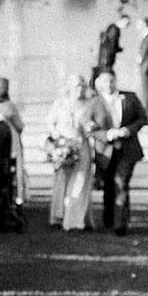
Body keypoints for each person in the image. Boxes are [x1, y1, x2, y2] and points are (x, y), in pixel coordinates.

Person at [88, 68, 148, 235]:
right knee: (108, 185)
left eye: (112, 80)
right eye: (106, 81)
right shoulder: (94, 103)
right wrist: (106, 134)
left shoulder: (130, 98)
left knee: (121, 183)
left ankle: (120, 224)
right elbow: (89, 127)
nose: (110, 84)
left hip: (127, 149)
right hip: (105, 151)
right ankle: (109, 217)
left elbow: (143, 118)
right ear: (99, 85)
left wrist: (129, 130)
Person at [46, 73, 97, 230]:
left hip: (81, 147)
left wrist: (90, 127)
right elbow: (50, 122)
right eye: (76, 85)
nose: (79, 88)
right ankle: (59, 215)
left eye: (82, 85)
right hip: (63, 146)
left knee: (80, 182)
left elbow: (95, 122)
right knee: (62, 181)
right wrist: (57, 138)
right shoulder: (60, 104)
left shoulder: (89, 104)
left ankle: (75, 220)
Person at [0, 75, 28, 213]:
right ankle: (17, 198)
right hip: (10, 143)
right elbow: (19, 126)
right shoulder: (9, 106)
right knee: (15, 171)